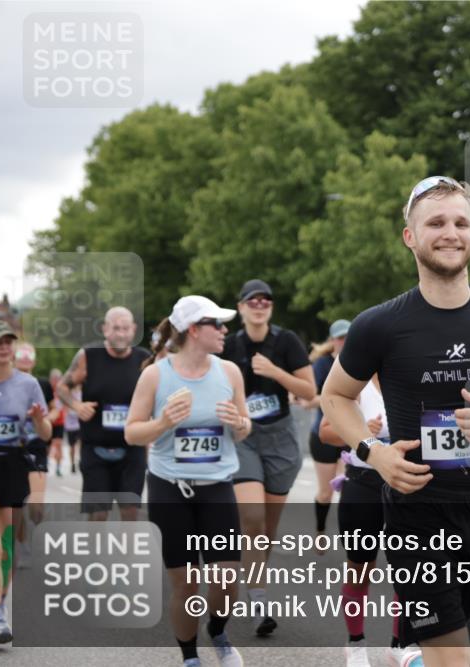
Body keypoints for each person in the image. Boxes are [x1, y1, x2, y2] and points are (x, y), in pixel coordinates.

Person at [322, 176, 470, 666]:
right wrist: (375, 454)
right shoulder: (380, 324)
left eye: (461, 222)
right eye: (435, 222)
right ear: (410, 236)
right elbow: (335, 398)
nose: (450, 232)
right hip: (418, 512)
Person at [125, 295, 248, 667]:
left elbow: (244, 429)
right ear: (194, 330)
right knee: (186, 582)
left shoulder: (229, 372)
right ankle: (190, 656)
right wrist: (163, 423)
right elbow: (132, 433)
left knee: (227, 578)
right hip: (170, 489)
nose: (226, 330)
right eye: (218, 324)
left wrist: (238, 423)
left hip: (217, 487)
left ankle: (219, 630)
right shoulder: (156, 375)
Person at [220, 279, 316, 636]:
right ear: (241, 307)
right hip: (243, 437)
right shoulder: (229, 346)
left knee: (268, 530)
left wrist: (275, 372)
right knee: (254, 519)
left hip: (280, 439)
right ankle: (259, 600)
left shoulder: (287, 341)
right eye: (252, 301)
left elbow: (310, 391)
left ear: (270, 308)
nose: (259, 305)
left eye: (265, 301)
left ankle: (254, 582)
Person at [319, 373, 423, 667]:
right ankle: (355, 643)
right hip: (363, 483)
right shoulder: (355, 383)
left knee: (407, 568)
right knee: (360, 568)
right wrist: (361, 433)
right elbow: (325, 433)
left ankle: (399, 643)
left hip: (404, 483)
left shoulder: (408, 376)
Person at [56, 307, 150, 521]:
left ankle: (127, 554)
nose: (121, 333)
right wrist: (77, 406)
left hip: (132, 448)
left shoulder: (144, 359)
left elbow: (157, 392)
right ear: (105, 329)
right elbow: (62, 387)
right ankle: (97, 554)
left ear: (133, 330)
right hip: (95, 448)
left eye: (126, 328)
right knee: (98, 514)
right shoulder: (88, 356)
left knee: (130, 511)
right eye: (116, 328)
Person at [0, 320, 50, 648]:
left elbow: (43, 435)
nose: (4, 348)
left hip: (14, 464)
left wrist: (39, 420)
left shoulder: (27, 384)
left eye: (8, 342)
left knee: (8, 546)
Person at [11, 343, 60, 567]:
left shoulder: (40, 384)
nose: (25, 358)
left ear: (34, 360)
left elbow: (56, 409)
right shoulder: (4, 383)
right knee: (16, 504)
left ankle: (33, 530)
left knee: (36, 505)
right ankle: (22, 542)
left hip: (36, 445)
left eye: (29, 354)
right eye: (21, 354)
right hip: (12, 449)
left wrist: (43, 419)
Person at [305, 320, 351, 541]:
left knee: (346, 487)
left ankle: (347, 533)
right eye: (340, 338)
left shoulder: (357, 362)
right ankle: (320, 530)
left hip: (348, 434)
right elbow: (307, 400)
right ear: (332, 341)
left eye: (348, 337)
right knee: (326, 493)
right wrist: (333, 399)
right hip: (323, 436)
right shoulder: (322, 364)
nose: (344, 342)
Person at [63, 388, 82, 475]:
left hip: (80, 424)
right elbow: (66, 409)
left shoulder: (81, 393)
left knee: (80, 444)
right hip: (70, 425)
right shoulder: (68, 395)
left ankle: (80, 461)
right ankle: (72, 464)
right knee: (72, 446)